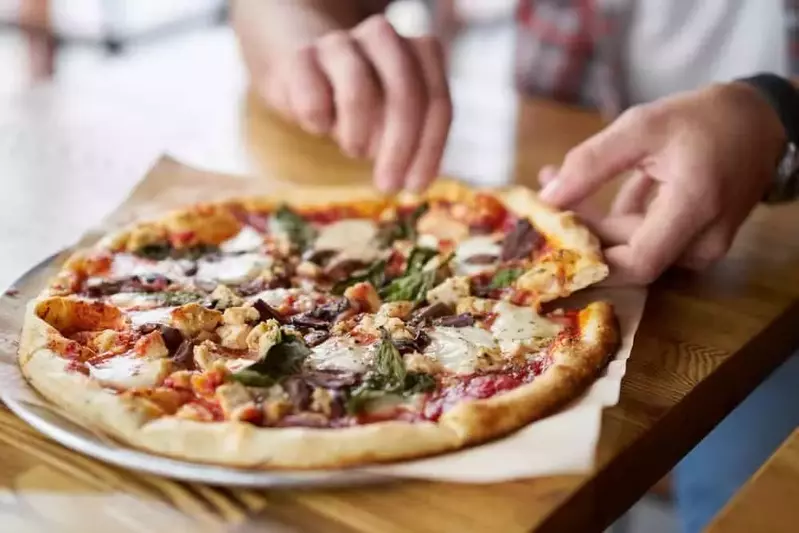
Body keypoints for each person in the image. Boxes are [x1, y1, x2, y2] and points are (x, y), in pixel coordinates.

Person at [231, 1, 799, 531]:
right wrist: (300, 44)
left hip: (772, 269)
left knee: (742, 485)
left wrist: (776, 114)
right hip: (550, 180)